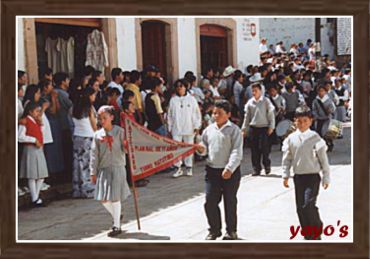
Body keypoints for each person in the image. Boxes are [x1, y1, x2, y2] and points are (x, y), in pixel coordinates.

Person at [196, 100, 243, 240]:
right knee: (210, 201)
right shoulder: (208, 130)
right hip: (212, 171)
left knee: (230, 201)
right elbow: (204, 147)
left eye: (219, 113)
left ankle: (231, 231)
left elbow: (237, 152)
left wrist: (229, 168)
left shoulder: (234, 130)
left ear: (228, 114)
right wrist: (200, 150)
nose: (215, 116)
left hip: (230, 172)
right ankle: (214, 230)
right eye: (214, 113)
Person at [282, 106, 330, 240]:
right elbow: (287, 159)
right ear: (294, 121)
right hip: (298, 178)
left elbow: (323, 160)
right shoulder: (291, 139)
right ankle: (307, 233)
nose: (302, 124)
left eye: (305, 121)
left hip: (312, 177)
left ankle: (316, 229)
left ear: (310, 121)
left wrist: (326, 177)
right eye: (299, 121)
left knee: (308, 205)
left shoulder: (316, 138)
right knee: (300, 208)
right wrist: (285, 175)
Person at [90, 105, 131, 237]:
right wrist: (93, 171)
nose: (102, 121)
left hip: (118, 167)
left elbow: (126, 150)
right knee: (102, 198)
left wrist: (126, 145)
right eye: (100, 118)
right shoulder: (97, 135)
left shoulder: (120, 131)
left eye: (105, 118)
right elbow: (94, 155)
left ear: (112, 117)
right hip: (104, 168)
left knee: (115, 197)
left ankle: (116, 225)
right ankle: (117, 214)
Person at [167, 79, 202, 178]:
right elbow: (169, 114)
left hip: (189, 127)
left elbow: (196, 113)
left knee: (188, 148)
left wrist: (196, 126)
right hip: (176, 128)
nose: (179, 88)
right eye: (177, 86)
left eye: (181, 86)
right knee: (176, 148)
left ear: (185, 87)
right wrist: (169, 127)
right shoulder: (173, 100)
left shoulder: (191, 99)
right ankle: (178, 168)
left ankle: (189, 167)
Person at [18, 102, 49, 207]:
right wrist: (33, 140)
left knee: (41, 175)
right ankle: (35, 198)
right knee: (32, 175)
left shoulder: (35, 121)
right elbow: (20, 136)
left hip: (38, 148)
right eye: (36, 111)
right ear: (30, 111)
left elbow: (41, 132)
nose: (38, 113)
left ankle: (35, 196)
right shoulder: (25, 121)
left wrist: (41, 123)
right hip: (30, 148)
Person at [241, 83, 275, 176]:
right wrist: (244, 129)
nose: (254, 92)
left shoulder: (266, 101)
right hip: (253, 128)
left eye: (256, 90)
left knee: (264, 149)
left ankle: (267, 165)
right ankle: (256, 168)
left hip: (264, 128)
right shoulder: (250, 103)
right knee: (254, 150)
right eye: (253, 91)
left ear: (260, 91)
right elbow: (246, 117)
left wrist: (271, 126)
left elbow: (270, 114)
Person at [72, 87, 97, 198]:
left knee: (77, 163)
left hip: (77, 136)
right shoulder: (89, 108)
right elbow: (93, 124)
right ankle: (87, 188)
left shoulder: (73, 108)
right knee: (86, 164)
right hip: (88, 136)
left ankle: (77, 188)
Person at [54, 72, 73, 182]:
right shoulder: (62, 94)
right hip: (65, 124)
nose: (68, 82)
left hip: (60, 124)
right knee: (67, 150)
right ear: (63, 82)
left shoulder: (57, 92)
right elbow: (71, 105)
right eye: (67, 80)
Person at [312, 85, 336, 152]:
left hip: (327, 118)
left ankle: (329, 144)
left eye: (322, 91)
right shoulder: (315, 101)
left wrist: (330, 110)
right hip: (319, 118)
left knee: (327, 132)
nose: (320, 92)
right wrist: (315, 116)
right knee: (319, 132)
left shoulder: (328, 100)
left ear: (325, 92)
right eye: (319, 91)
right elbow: (314, 109)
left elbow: (333, 108)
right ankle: (321, 146)